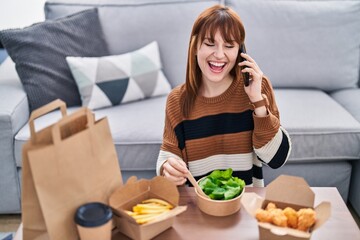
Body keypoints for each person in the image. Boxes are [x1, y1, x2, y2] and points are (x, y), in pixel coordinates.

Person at [156, 5, 291, 187]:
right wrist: (168, 169)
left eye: (229, 46)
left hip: (246, 207)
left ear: (240, 51)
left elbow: (276, 159)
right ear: (195, 47)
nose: (219, 55)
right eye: (210, 44)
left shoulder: (258, 89)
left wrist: (257, 102)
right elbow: (168, 157)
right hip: (198, 208)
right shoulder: (177, 100)